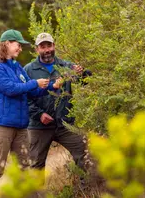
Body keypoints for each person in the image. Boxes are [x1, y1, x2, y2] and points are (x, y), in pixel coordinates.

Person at [0, 29, 62, 189]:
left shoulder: (17, 67)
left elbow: (32, 91)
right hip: (2, 126)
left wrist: (51, 86)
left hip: (20, 127)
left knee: (25, 169)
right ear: (6, 44)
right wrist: (35, 83)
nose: (20, 48)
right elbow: (10, 89)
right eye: (18, 45)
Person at [24, 32, 91, 180]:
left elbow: (85, 81)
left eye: (49, 46)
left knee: (86, 156)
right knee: (36, 167)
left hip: (65, 125)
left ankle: (86, 191)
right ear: (37, 49)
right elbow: (23, 98)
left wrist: (82, 73)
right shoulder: (28, 70)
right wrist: (39, 114)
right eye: (42, 47)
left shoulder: (66, 66)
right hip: (38, 127)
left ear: (54, 46)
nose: (47, 50)